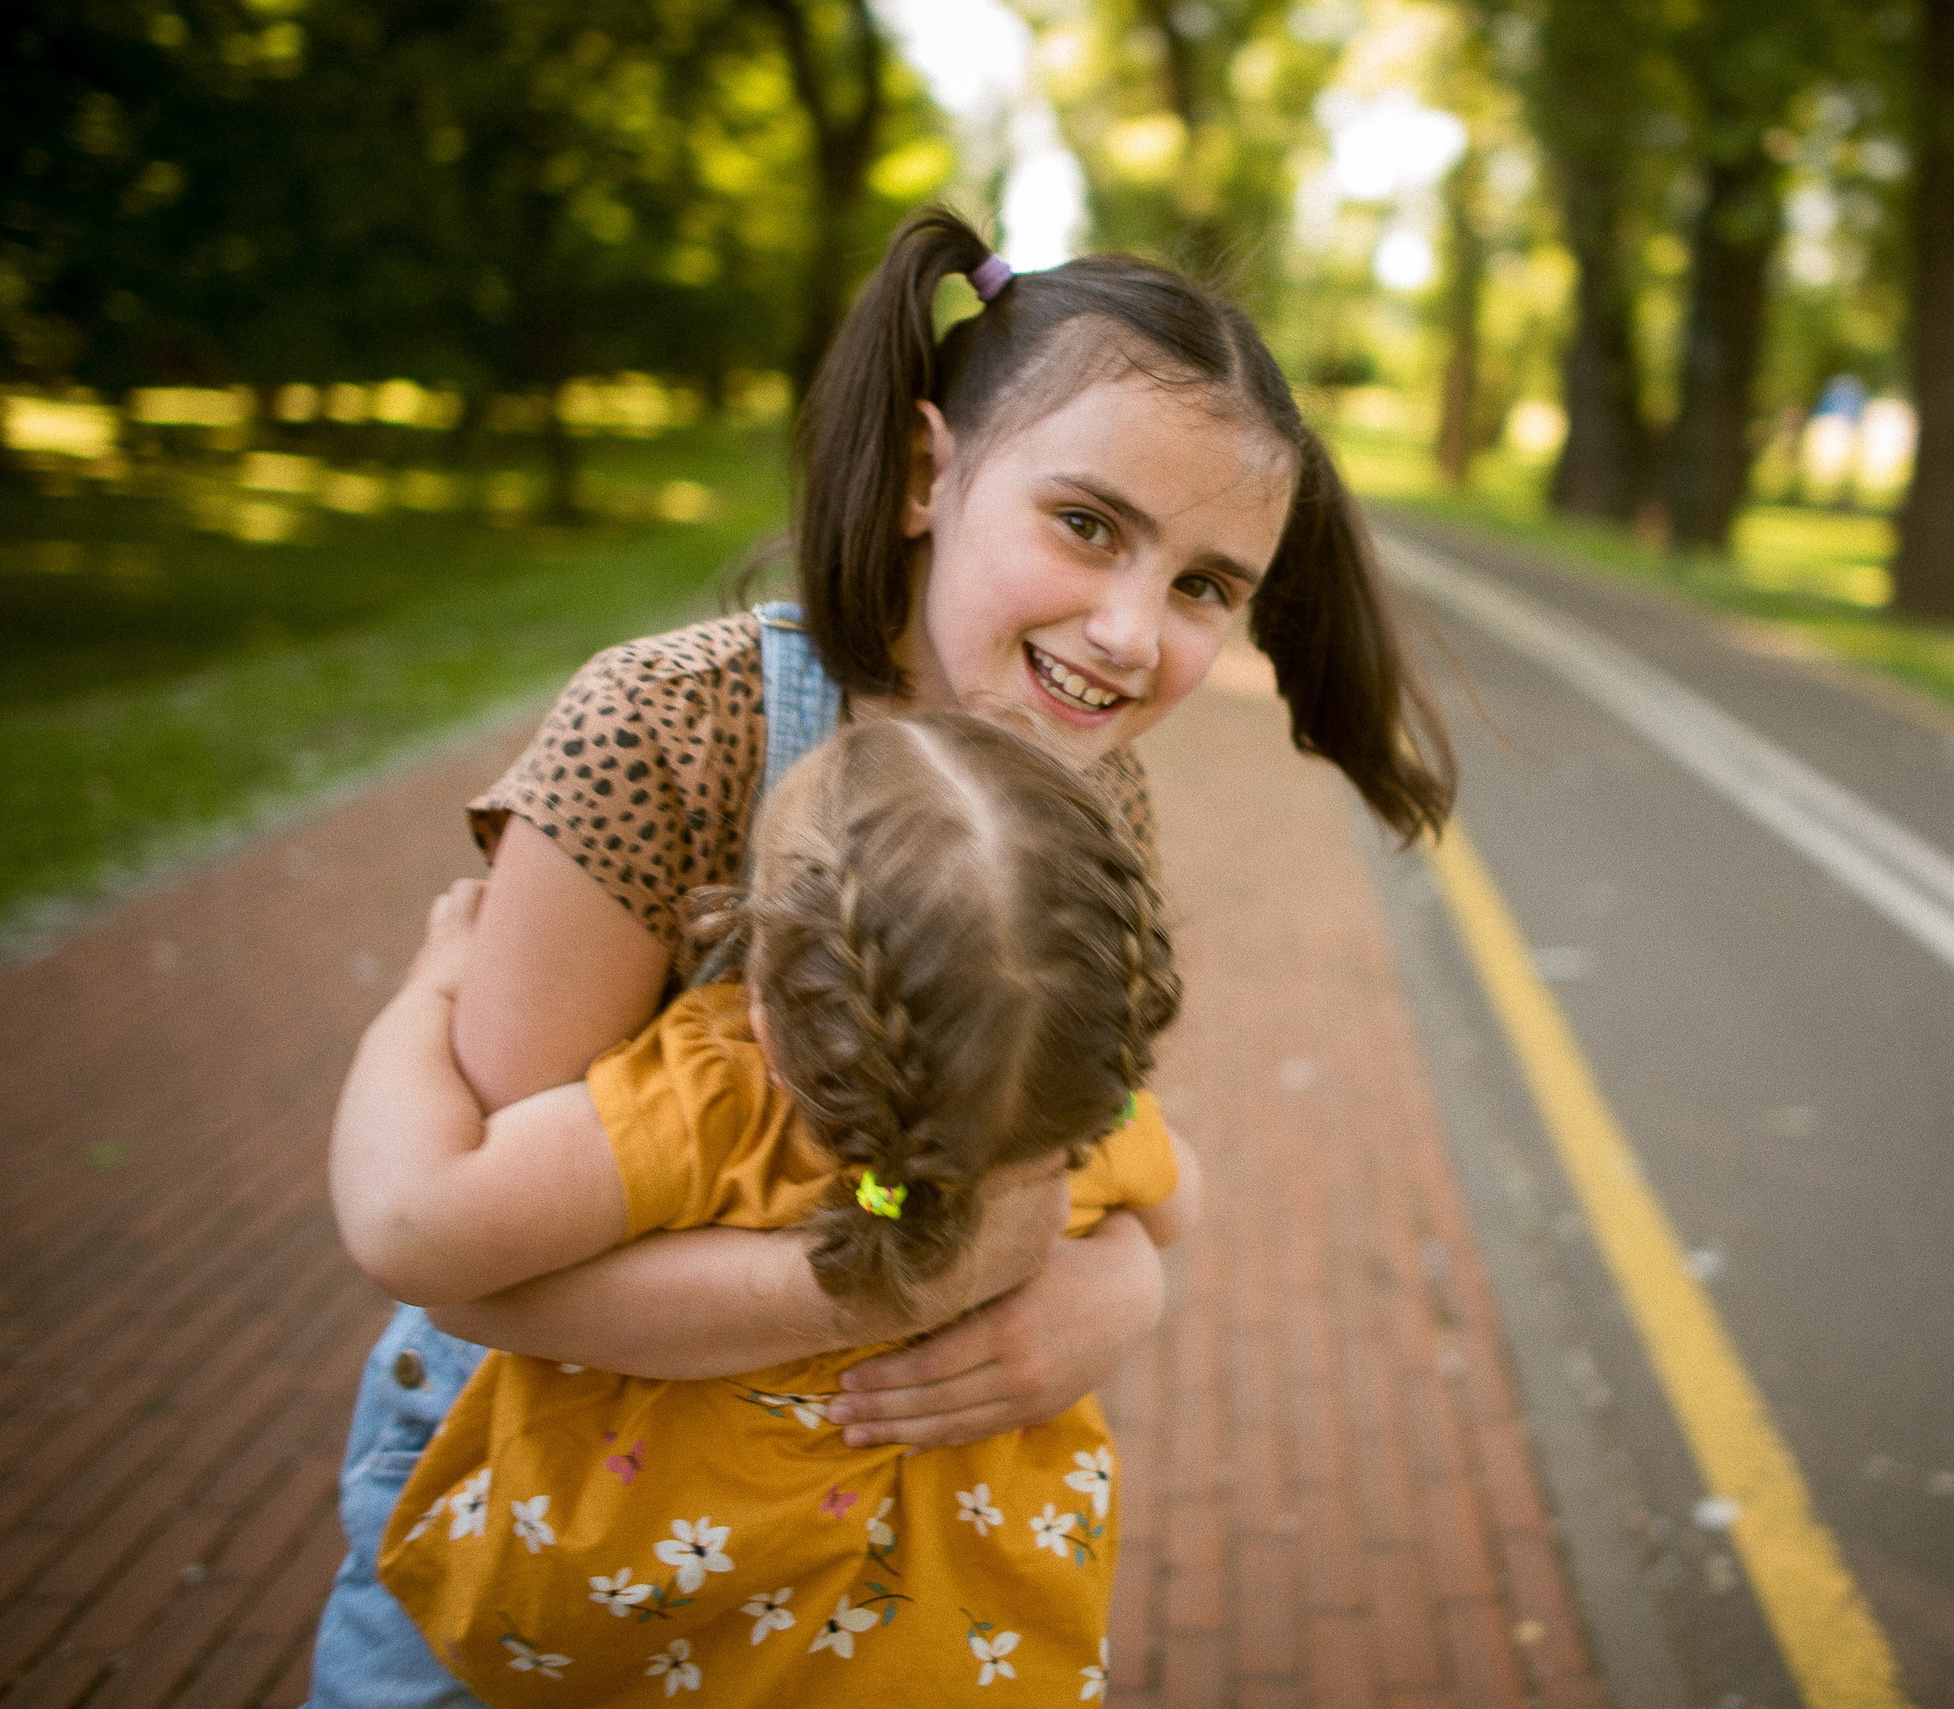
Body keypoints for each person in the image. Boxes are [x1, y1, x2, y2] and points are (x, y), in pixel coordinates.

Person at [308, 205, 1455, 1703]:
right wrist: (917, 1286)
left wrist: (1121, 1287)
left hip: (846, 1592)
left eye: (1202, 588)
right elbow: (477, 1273)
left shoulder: (1089, 795)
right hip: (542, 1536)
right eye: (1088, 524)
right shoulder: (662, 734)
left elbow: (1072, 1148)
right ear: (929, 473)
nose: (1126, 631)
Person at [335, 712, 1197, 1704]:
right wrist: (1124, 1259)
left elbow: (409, 1224)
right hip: (956, 1660)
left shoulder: (713, 1105)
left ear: (762, 998)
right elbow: (1177, 1207)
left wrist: (426, 993)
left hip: (642, 1632)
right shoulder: (1083, 1123)